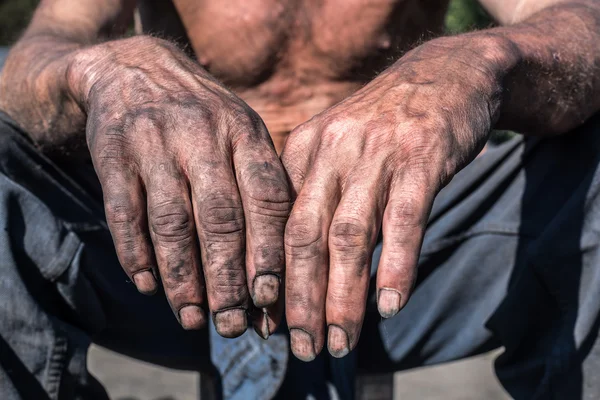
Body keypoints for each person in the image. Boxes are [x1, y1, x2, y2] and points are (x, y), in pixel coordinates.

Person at [1, 0, 600, 398]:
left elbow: (582, 19)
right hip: (168, 252)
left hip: (402, 252)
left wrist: (477, 58)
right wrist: (105, 68)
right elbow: (37, 54)